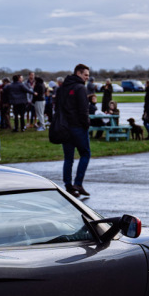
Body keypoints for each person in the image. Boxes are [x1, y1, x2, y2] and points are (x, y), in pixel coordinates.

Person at [58, 63, 92, 198]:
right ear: (78, 73)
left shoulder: (63, 87)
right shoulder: (80, 88)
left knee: (68, 158)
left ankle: (68, 185)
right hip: (77, 126)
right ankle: (78, 182)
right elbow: (83, 110)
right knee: (85, 154)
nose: (87, 78)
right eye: (86, 75)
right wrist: (86, 124)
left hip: (64, 127)